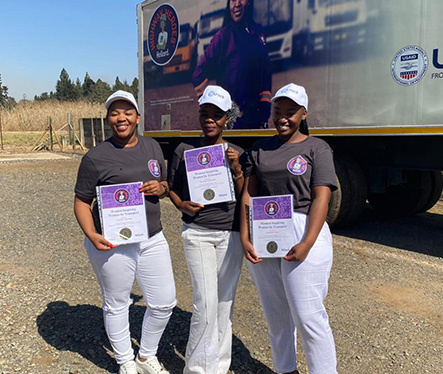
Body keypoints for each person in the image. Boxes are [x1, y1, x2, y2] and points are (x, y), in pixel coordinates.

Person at [74, 90, 176, 374]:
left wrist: (163, 188)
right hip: (112, 241)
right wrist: (91, 234)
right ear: (108, 119)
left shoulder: (153, 148)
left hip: (153, 238)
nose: (122, 118)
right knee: (117, 303)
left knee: (164, 302)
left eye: (127, 112)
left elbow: (164, 183)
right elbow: (82, 201)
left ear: (137, 117)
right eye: (115, 113)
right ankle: (125, 361)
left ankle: (146, 357)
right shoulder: (95, 158)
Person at [240, 83, 338, 374]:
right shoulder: (259, 149)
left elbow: (322, 195)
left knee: (308, 315)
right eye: (277, 111)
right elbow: (249, 194)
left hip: (303, 227)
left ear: (303, 113)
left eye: (290, 112)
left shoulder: (316, 148)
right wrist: (246, 236)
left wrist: (307, 241)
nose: (282, 118)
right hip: (266, 229)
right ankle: (286, 369)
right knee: (276, 314)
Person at [168, 85, 245, 374]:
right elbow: (172, 189)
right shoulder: (184, 150)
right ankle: (198, 369)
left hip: (230, 235)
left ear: (228, 118)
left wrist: (236, 169)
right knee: (205, 302)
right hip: (198, 232)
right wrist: (181, 205)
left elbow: (245, 195)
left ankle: (219, 365)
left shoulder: (236, 154)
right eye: (205, 114)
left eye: (217, 115)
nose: (210, 120)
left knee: (225, 301)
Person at [192, 0, 272, 129]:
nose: (237, 4)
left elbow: (265, 75)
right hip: (232, 122)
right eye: (232, 0)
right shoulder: (223, 37)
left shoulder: (259, 33)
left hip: (255, 120)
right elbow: (198, 74)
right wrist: (213, 105)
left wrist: (264, 113)